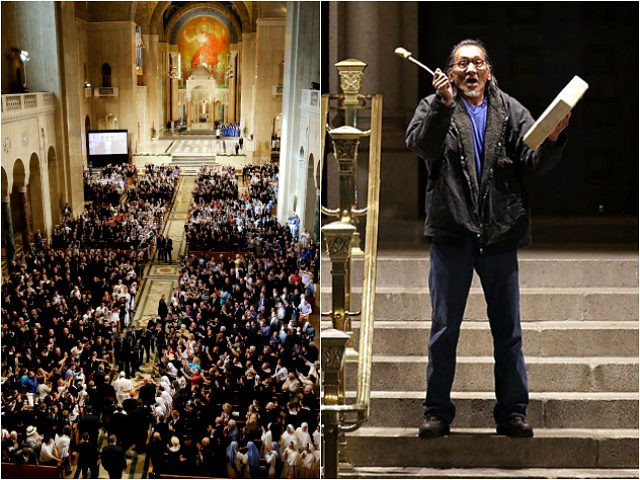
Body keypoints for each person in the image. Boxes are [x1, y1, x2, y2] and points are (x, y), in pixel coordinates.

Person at [405, 39, 570, 439]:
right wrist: (443, 107)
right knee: (444, 329)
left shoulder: (510, 109)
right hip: (452, 233)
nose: (470, 70)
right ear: (451, 71)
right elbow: (421, 146)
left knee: (508, 330)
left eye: (477, 63)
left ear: (489, 71)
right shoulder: (433, 106)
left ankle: (512, 411)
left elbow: (533, 161)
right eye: (462, 64)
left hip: (498, 233)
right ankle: (437, 411)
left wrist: (552, 139)